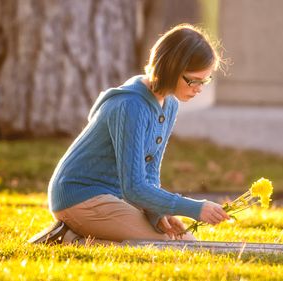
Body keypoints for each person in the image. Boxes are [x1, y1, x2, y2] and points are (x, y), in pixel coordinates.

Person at [28, 23, 230, 245]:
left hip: (115, 197)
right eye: (193, 80)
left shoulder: (169, 103)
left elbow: (149, 175)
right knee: (170, 246)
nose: (199, 88)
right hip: (81, 197)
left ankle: (76, 237)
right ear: (171, 67)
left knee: (187, 242)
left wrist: (157, 213)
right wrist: (195, 208)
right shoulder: (131, 105)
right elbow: (134, 187)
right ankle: (69, 238)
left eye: (205, 81)